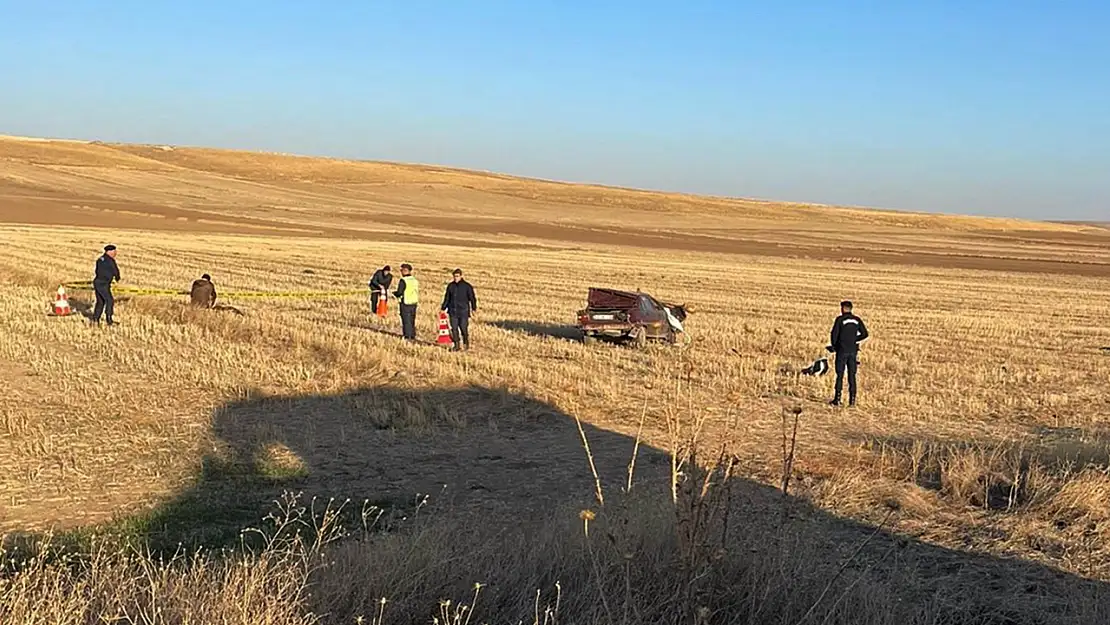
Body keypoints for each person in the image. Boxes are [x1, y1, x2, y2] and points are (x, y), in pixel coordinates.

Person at [826, 300, 869, 406]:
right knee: (852, 376)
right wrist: (854, 339)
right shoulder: (857, 320)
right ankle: (852, 400)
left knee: (839, 375)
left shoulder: (840, 320)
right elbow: (865, 334)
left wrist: (835, 347)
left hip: (842, 351)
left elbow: (834, 335)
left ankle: (837, 399)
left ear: (843, 308)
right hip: (853, 351)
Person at [440, 268, 478, 351]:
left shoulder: (467, 286)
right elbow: (447, 298)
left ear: (461, 276)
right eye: (454, 276)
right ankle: (456, 345)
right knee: (454, 328)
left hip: (463, 311)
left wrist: (474, 308)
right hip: (452, 311)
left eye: (457, 276)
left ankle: (465, 343)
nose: (455, 278)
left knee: (463, 328)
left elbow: (472, 298)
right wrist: (443, 308)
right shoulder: (451, 286)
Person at [92, 244, 121, 326]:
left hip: (98, 282)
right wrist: (117, 278)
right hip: (103, 284)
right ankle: (109, 319)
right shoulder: (109, 261)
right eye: (114, 251)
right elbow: (115, 271)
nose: (115, 253)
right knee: (109, 300)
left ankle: (95, 319)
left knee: (100, 302)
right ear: (109, 252)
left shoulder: (100, 259)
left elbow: (97, 271)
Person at [393, 263, 419, 341]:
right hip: (414, 303)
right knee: (412, 320)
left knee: (406, 320)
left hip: (405, 302)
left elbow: (400, 292)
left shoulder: (403, 280)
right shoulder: (414, 280)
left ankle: (407, 336)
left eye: (403, 270)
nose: (402, 272)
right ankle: (412, 335)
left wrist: (395, 293)